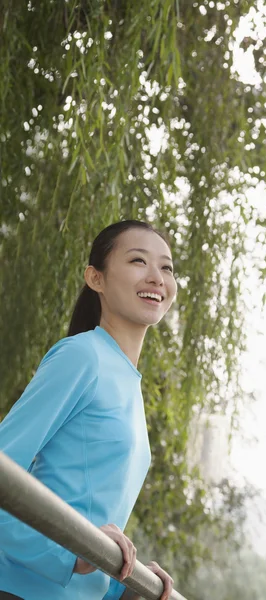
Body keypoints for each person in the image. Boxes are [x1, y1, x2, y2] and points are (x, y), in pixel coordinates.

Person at [0, 220, 178, 600]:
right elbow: (3, 472)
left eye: (166, 267)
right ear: (95, 278)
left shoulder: (128, 384)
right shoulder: (82, 356)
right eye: (137, 261)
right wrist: (68, 553)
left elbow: (93, 524)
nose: (156, 277)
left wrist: (130, 578)